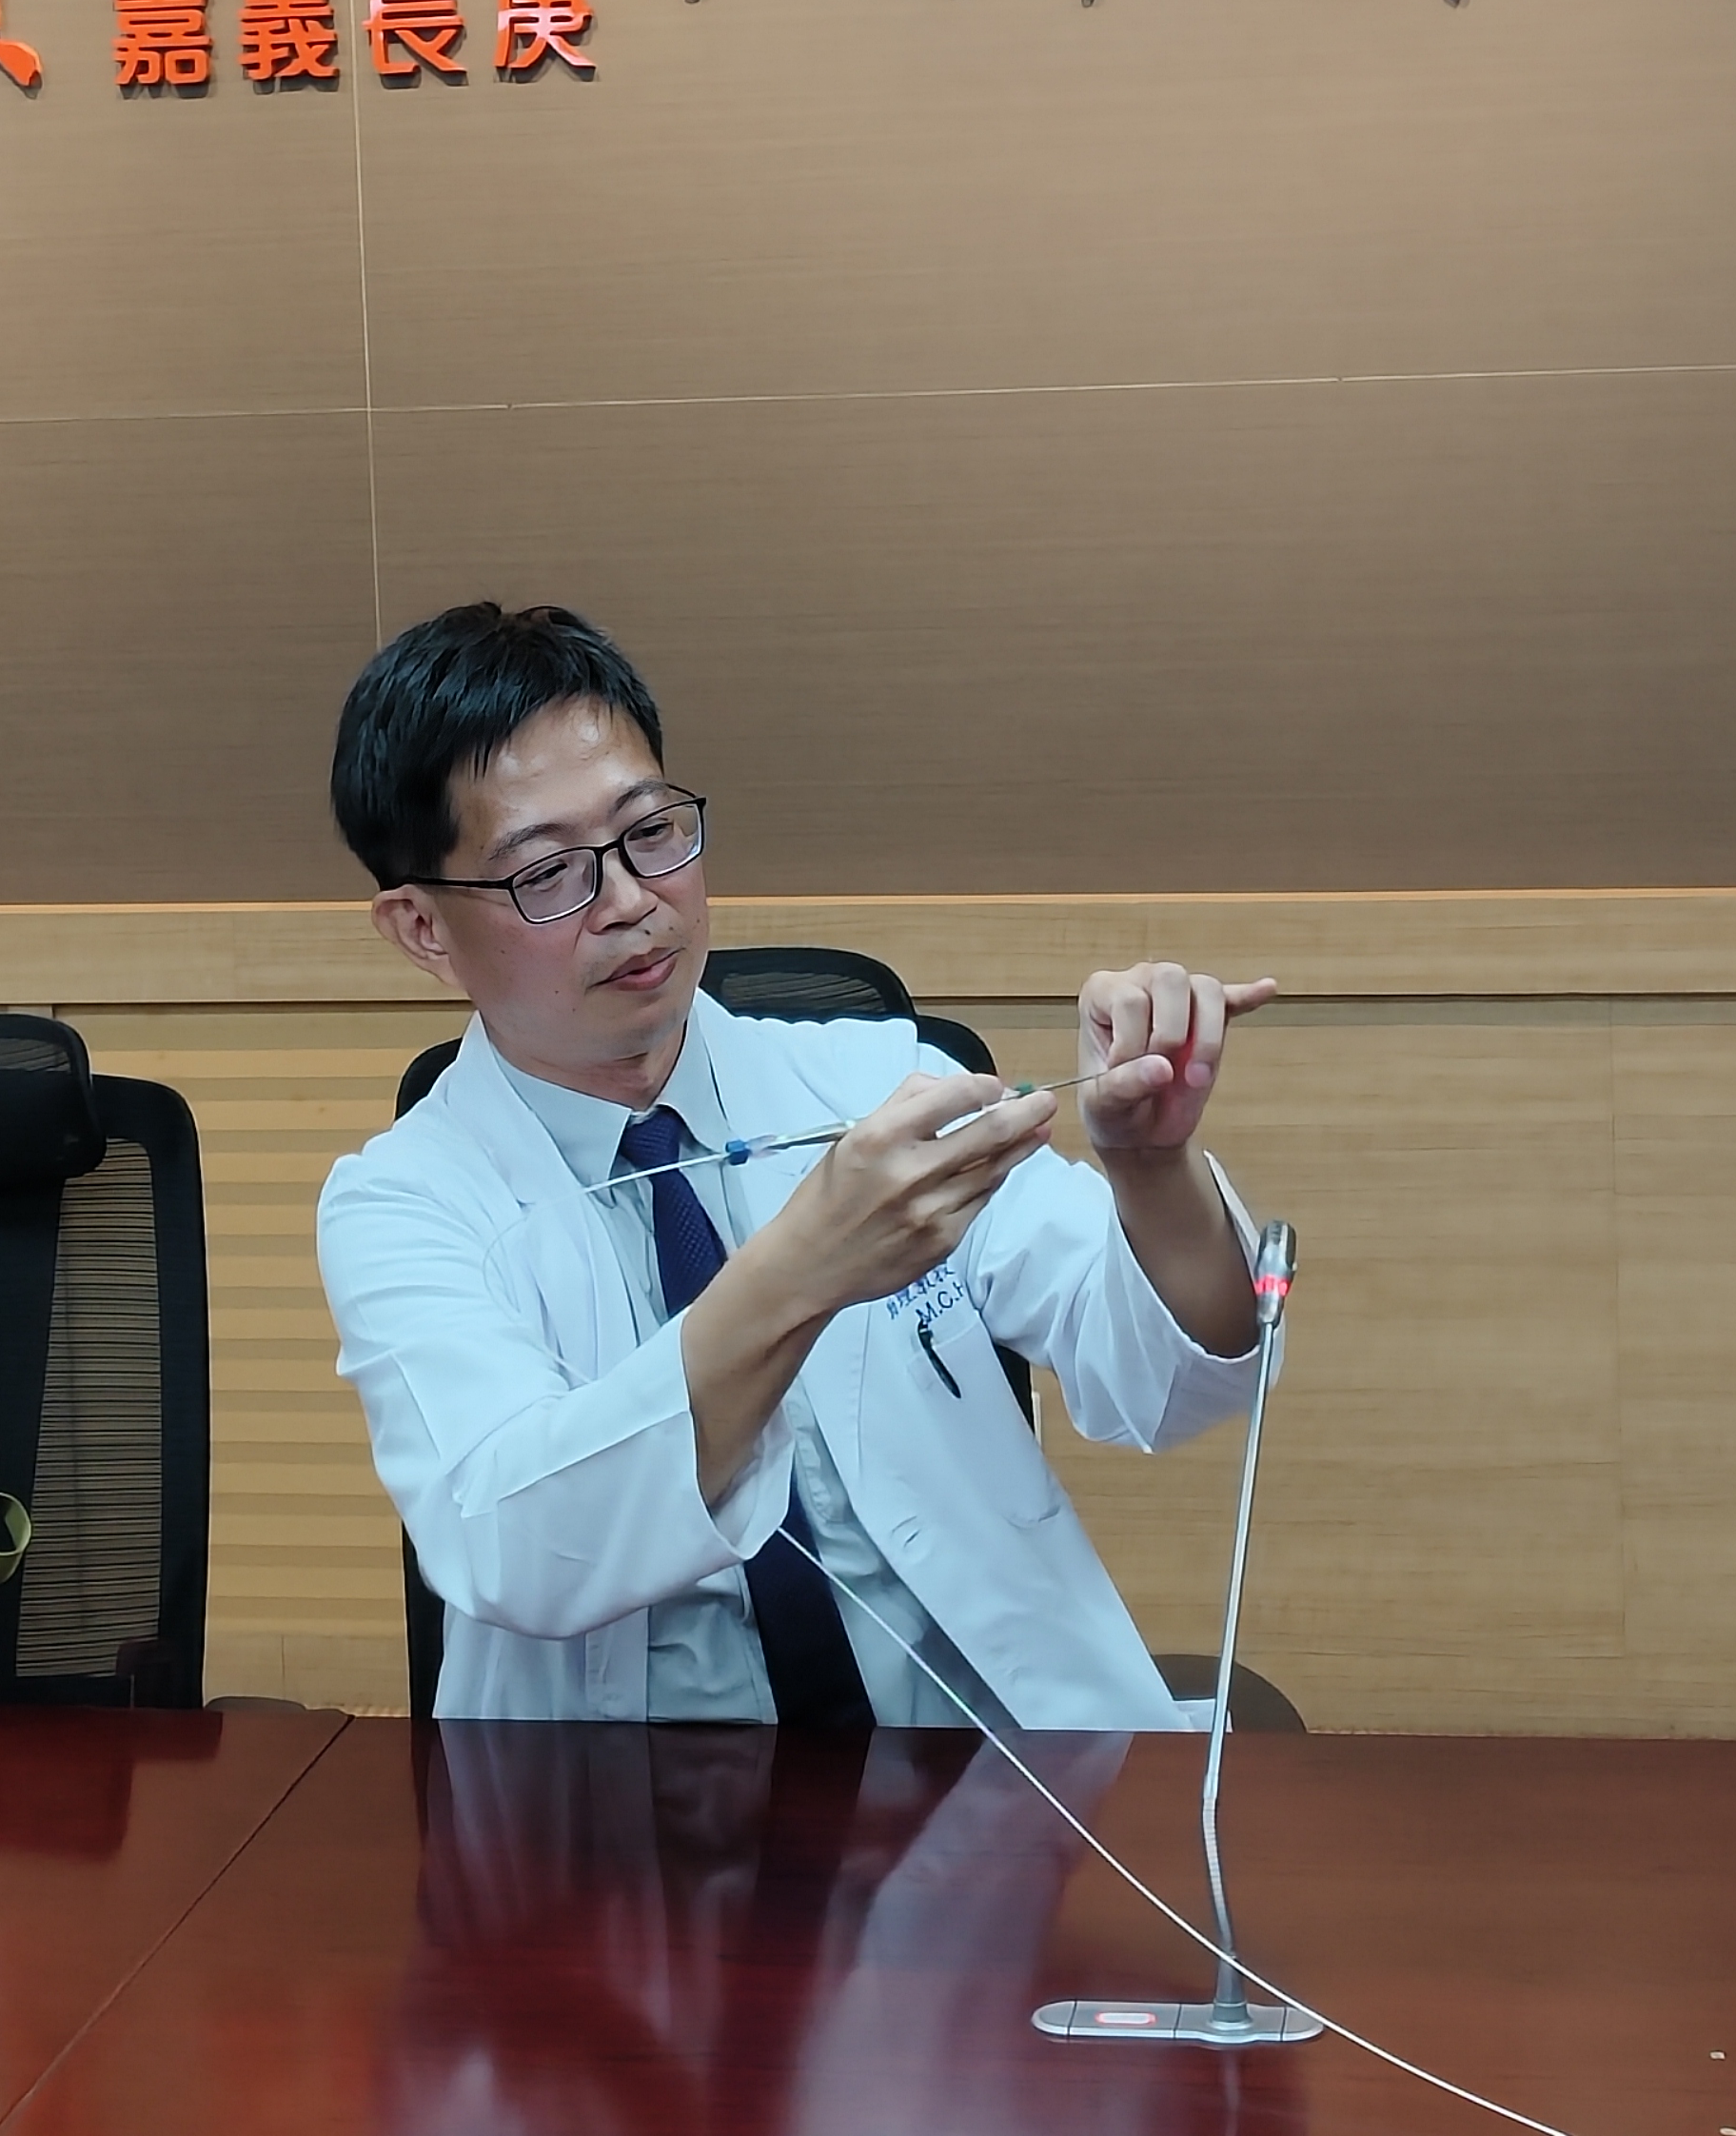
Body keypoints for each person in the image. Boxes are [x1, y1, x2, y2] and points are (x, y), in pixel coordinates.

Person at [318, 603, 1274, 1731]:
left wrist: (1150, 1170)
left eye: (651, 832)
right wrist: (803, 1268)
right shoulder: (401, 1203)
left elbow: (1174, 1383)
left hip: (992, 1784)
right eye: (548, 873)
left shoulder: (879, 1083)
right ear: (423, 929)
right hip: (620, 1810)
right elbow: (522, 1551)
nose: (630, 901)